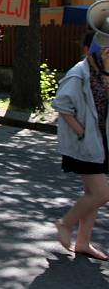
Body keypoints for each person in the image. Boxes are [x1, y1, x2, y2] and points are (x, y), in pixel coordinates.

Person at [53, 24, 109, 260]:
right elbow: (61, 104)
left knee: (91, 193)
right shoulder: (79, 73)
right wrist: (82, 132)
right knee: (102, 193)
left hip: (99, 141)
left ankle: (83, 242)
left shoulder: (102, 72)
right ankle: (65, 224)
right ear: (90, 50)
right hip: (85, 144)